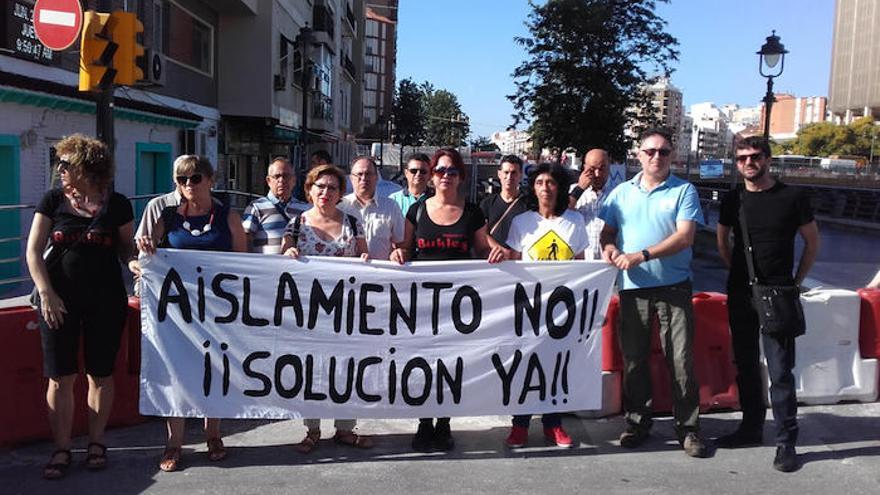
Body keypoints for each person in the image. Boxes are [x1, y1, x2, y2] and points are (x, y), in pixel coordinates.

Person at [26, 134, 134, 479]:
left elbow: (125, 248)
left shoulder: (117, 204)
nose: (60, 169)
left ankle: (96, 443)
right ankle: (61, 449)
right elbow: (32, 252)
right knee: (60, 377)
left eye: (66, 164)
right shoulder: (52, 201)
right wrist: (46, 294)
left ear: (87, 168)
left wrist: (135, 261)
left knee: (100, 374)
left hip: (105, 301)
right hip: (58, 302)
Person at [598, 128, 708, 458]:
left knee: (681, 361)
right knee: (634, 361)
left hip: (674, 287)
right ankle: (638, 423)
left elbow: (685, 237)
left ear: (672, 155)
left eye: (663, 152)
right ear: (638, 154)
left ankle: (688, 428)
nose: (656, 157)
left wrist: (640, 255)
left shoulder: (683, 191)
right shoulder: (620, 194)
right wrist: (608, 249)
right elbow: (607, 233)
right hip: (632, 289)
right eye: (650, 151)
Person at [715, 136, 820, 472]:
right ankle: (750, 428)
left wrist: (796, 281)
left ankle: (786, 441)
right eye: (742, 158)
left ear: (768, 159)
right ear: (737, 163)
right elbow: (722, 239)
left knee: (780, 371)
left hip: (778, 293)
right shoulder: (734, 199)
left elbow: (812, 242)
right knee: (745, 363)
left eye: (755, 157)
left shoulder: (793, 197)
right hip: (741, 293)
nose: (749, 163)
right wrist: (737, 273)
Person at [137, 155, 247, 472]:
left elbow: (245, 265)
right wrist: (144, 253)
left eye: (195, 178)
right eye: (181, 180)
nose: (188, 185)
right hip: (176, 313)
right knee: (176, 372)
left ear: (211, 180)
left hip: (218, 310)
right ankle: (174, 443)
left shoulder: (229, 217)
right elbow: (144, 259)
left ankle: (213, 434)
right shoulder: (167, 217)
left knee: (214, 369)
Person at [396, 148, 496, 451]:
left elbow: (482, 248)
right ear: (432, 175)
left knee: (450, 366)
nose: (445, 176)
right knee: (424, 364)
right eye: (439, 170)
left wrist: (496, 252)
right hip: (423, 303)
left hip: (458, 304)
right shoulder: (416, 211)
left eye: (452, 171)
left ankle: (444, 423)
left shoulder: (473, 212)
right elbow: (406, 247)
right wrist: (397, 253)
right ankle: (424, 423)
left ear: (461, 177)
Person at [279, 164, 373, 453]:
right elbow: (283, 256)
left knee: (345, 370)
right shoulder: (296, 224)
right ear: (309, 190)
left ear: (339, 192)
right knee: (312, 371)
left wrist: (368, 258)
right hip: (309, 314)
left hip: (346, 313)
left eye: (332, 187)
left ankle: (345, 428)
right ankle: (312, 429)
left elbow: (365, 256)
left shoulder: (353, 223)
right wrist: (289, 251)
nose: (326, 192)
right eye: (320, 186)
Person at [498, 162, 587, 448]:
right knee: (525, 366)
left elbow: (582, 267)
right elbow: (513, 261)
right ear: (533, 187)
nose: (545, 188)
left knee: (555, 366)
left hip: (561, 308)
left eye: (550, 182)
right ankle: (519, 426)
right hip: (528, 307)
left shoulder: (575, 222)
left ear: (559, 187)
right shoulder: (522, 222)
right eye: (539, 183)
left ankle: (553, 425)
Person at [339, 156, 406, 260]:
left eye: (368, 174)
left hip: (381, 273)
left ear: (376, 177)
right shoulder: (340, 206)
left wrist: (397, 253)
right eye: (359, 174)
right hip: (347, 273)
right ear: (351, 178)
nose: (364, 178)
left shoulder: (391, 207)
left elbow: (400, 244)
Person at [241, 157, 309, 254]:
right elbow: (245, 239)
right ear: (268, 181)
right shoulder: (255, 207)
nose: (281, 180)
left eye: (286, 176)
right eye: (277, 176)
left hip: (297, 267)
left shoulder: (305, 210)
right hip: (266, 267)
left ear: (294, 180)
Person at [480, 155, 529, 259]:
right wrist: (500, 250)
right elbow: (481, 233)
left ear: (520, 175)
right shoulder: (487, 203)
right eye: (506, 172)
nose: (509, 177)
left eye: (514, 173)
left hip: (520, 261)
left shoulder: (529, 205)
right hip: (493, 259)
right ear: (499, 174)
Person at [569, 149, 610, 260]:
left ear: (609, 167)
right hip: (581, 262)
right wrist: (580, 189)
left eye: (602, 169)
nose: (597, 174)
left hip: (608, 262)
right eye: (592, 169)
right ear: (584, 167)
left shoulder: (619, 193)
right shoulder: (572, 191)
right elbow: (562, 215)